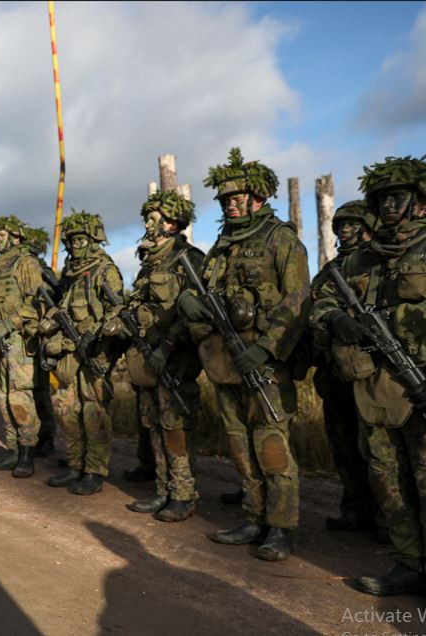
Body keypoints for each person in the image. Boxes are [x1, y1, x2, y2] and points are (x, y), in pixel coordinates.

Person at [179, 148, 310, 561]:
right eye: (223, 200)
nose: (231, 205)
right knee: (239, 446)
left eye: (238, 198)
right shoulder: (221, 245)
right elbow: (204, 291)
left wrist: (267, 348)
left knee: (271, 447)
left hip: (263, 363)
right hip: (224, 362)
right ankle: (253, 518)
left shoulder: (281, 239)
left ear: (260, 197)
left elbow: (298, 300)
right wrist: (193, 306)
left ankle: (281, 527)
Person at [311, 156, 426, 595]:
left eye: (398, 197)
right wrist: (336, 319)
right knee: (387, 478)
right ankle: (407, 564)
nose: (390, 206)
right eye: (382, 199)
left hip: (419, 382)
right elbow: (320, 301)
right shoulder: (361, 260)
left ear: (419, 203)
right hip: (377, 385)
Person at [123, 191, 204, 521]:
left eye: (156, 218)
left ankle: (183, 494)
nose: (149, 224)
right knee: (153, 424)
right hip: (147, 354)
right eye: (148, 218)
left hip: (175, 358)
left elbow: (195, 312)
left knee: (174, 426)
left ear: (174, 223)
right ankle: (163, 490)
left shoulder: (190, 259)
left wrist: (168, 347)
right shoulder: (149, 262)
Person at [307, 201, 380, 535]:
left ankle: (388, 518)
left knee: (377, 449)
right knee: (343, 443)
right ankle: (355, 510)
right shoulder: (331, 269)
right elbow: (313, 307)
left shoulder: (379, 262)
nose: (346, 231)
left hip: (374, 372)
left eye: (353, 224)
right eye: (341, 226)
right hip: (335, 370)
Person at [39, 210, 124, 495]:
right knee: (65, 410)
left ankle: (94, 471)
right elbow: (60, 306)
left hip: (94, 352)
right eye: (72, 240)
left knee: (93, 412)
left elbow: (117, 312)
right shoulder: (70, 275)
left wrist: (97, 336)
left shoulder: (105, 271)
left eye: (81, 239)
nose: (76, 244)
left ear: (94, 239)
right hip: (69, 352)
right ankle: (76, 464)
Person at [0, 215, 45, 478]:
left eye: (2, 236)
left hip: (18, 340)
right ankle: (12, 450)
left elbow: (39, 302)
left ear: (16, 236)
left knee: (19, 396)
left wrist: (11, 323)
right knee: (2, 396)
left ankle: (28, 452)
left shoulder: (26, 263)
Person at [22, 225, 59, 459]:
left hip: (42, 336)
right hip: (29, 336)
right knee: (35, 390)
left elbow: (53, 302)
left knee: (41, 390)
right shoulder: (25, 271)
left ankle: (46, 438)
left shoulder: (44, 272)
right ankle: (40, 437)